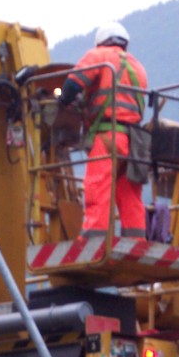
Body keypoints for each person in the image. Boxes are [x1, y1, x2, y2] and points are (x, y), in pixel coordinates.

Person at [59, 21, 149, 238]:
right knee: (129, 193)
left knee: (97, 187)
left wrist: (63, 101)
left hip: (108, 136)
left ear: (101, 41)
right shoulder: (138, 66)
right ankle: (136, 239)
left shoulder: (98, 56)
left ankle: (94, 237)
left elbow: (72, 85)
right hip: (134, 141)